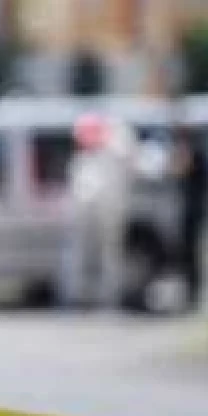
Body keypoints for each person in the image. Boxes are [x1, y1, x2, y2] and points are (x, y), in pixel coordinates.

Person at [61, 113, 136, 309]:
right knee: (79, 254)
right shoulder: (81, 160)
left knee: (109, 255)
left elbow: (127, 163)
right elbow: (79, 191)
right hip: (85, 215)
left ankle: (109, 297)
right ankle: (77, 296)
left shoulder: (114, 151)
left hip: (109, 213)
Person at [174, 125, 206, 310]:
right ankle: (189, 293)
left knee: (192, 255)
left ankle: (192, 294)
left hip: (193, 213)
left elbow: (181, 169)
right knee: (187, 255)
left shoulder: (197, 155)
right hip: (186, 213)